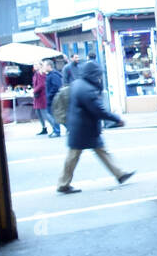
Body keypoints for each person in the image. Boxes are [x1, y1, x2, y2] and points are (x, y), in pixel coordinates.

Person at [57, 61, 135, 194]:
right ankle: (63, 183)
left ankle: (120, 174)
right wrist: (117, 119)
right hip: (84, 129)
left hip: (80, 126)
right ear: (93, 74)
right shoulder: (86, 89)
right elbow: (99, 110)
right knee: (75, 156)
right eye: (98, 75)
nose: (99, 77)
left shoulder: (78, 83)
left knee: (96, 152)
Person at [44, 58, 65, 138]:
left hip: (54, 99)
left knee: (54, 115)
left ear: (49, 66)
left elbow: (56, 87)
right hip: (52, 98)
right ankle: (58, 130)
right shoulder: (50, 75)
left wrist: (49, 95)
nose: (44, 67)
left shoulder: (53, 75)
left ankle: (57, 130)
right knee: (55, 115)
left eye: (45, 65)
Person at [31, 62, 52, 135]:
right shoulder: (36, 74)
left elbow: (41, 85)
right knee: (39, 113)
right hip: (37, 97)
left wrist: (34, 91)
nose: (34, 66)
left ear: (40, 65)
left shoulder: (41, 73)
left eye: (36, 64)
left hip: (41, 96)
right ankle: (44, 128)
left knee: (45, 113)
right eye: (34, 64)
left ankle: (55, 127)